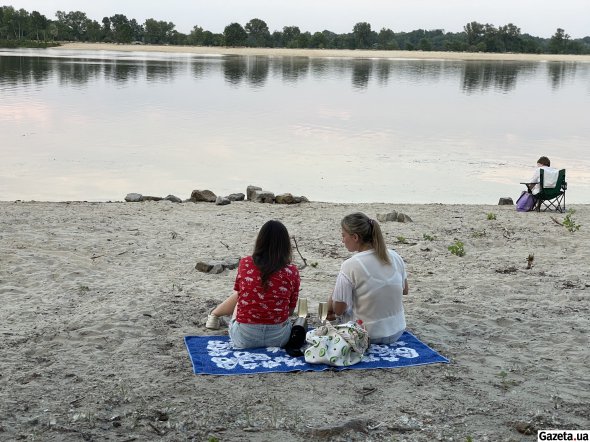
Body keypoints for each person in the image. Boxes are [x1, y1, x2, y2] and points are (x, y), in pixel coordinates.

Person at [205, 220, 300, 349]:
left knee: (241, 296)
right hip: (278, 340)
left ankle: (214, 315)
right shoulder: (292, 271)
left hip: (244, 339)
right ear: (285, 245)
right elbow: (289, 311)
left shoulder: (245, 263)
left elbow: (239, 294)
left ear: (260, 241)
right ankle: (214, 314)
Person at [326, 212, 409, 344]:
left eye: (343, 236)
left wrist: (335, 294)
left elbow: (338, 310)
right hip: (397, 331)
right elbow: (404, 290)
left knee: (333, 306)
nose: (342, 240)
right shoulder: (395, 256)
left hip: (367, 334)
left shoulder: (350, 265)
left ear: (355, 237)